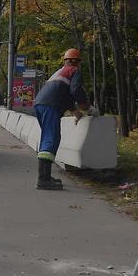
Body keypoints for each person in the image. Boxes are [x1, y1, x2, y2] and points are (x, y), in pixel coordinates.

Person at [32, 48, 91, 189]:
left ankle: (45, 176)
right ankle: (43, 179)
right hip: (50, 106)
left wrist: (74, 111)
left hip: (40, 104)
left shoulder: (60, 72)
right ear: (77, 62)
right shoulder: (74, 71)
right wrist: (86, 106)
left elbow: (63, 94)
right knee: (51, 139)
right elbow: (75, 90)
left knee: (49, 137)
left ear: (65, 61)